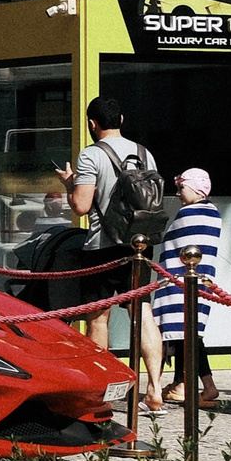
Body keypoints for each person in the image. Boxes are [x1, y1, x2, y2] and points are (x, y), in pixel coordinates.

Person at [53, 95, 166, 410]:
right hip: (140, 245)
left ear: (92, 123)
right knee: (142, 313)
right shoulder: (146, 154)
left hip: (103, 246)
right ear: (122, 119)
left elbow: (81, 205)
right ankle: (155, 390)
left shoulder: (91, 155)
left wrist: (69, 184)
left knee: (98, 318)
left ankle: (99, 390)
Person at [151, 169, 222, 405]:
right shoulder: (213, 214)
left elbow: (171, 246)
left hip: (178, 285)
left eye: (182, 188)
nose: (178, 193)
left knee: (168, 333)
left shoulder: (189, 214)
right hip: (199, 284)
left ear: (194, 188)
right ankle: (199, 385)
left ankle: (162, 387)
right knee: (189, 334)